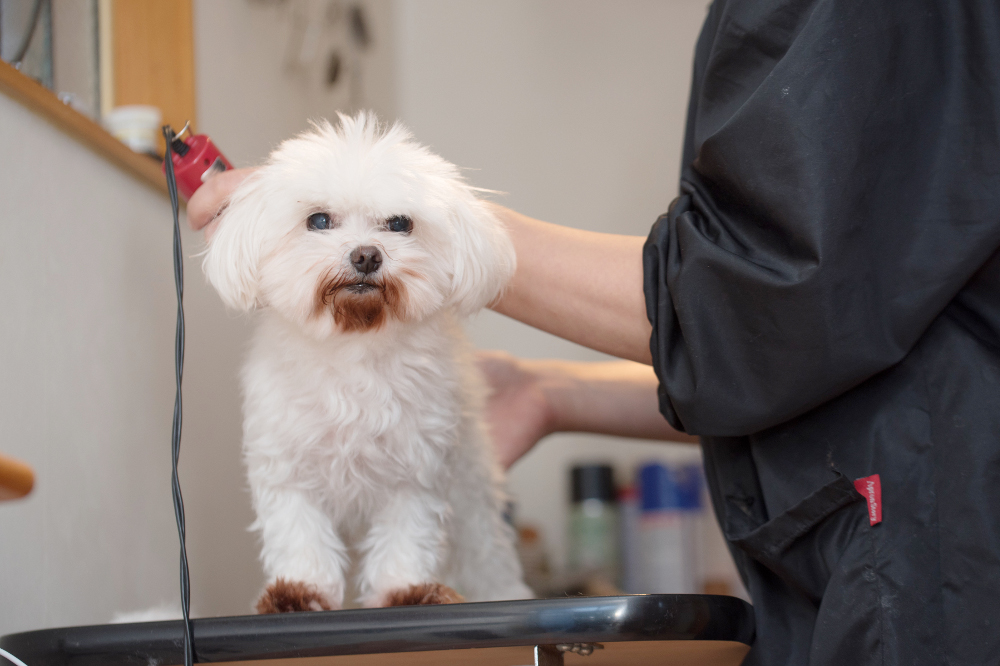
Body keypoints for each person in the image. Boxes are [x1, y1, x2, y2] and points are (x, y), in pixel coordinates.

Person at [189, 2, 1000, 663]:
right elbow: (803, 340)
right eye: (324, 221)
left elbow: (758, 299)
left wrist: (457, 234)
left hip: (937, 555)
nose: (365, 247)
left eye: (396, 225)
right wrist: (551, 390)